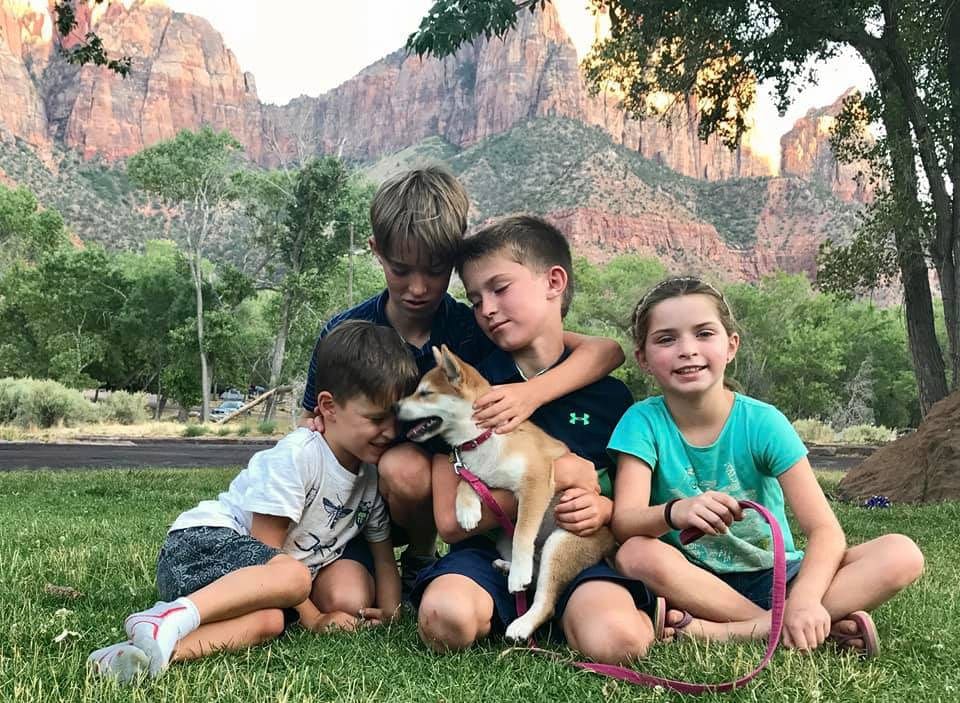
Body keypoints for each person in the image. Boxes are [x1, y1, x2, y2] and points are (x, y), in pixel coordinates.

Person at [298, 167, 624, 595]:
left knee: (407, 468)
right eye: (400, 270)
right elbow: (311, 421)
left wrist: (533, 392)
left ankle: (419, 557)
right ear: (376, 251)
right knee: (346, 593)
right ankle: (339, 548)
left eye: (434, 271)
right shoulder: (344, 332)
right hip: (358, 490)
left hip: (433, 483)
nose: (417, 287)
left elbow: (606, 350)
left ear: (452, 258)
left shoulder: (471, 329)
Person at [609, 276, 925, 656]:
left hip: (777, 575)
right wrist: (677, 511)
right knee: (635, 555)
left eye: (704, 333)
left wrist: (806, 598)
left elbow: (825, 530)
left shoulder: (763, 422)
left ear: (731, 346)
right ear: (643, 358)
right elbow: (625, 523)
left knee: (901, 553)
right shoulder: (640, 422)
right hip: (693, 581)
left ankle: (734, 631)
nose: (687, 350)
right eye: (666, 339)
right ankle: (794, 627)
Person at [88, 321, 418, 683]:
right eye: (376, 418)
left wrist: (390, 612)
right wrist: (314, 618)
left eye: (395, 419)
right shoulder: (300, 456)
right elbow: (265, 549)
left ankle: (149, 655)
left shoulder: (370, 476)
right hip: (199, 547)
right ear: (328, 407)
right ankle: (168, 616)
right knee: (291, 575)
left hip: (254, 584)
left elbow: (384, 557)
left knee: (271, 621)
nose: (389, 431)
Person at [412, 215, 663, 665]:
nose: (486, 307)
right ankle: (507, 604)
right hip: (490, 552)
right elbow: (450, 523)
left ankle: (628, 611)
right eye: (474, 299)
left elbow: (622, 502)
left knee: (618, 642)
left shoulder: (609, 396)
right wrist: (551, 476)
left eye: (500, 288)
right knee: (445, 618)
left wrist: (603, 507)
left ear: (554, 281)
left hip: (577, 551)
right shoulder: (469, 385)